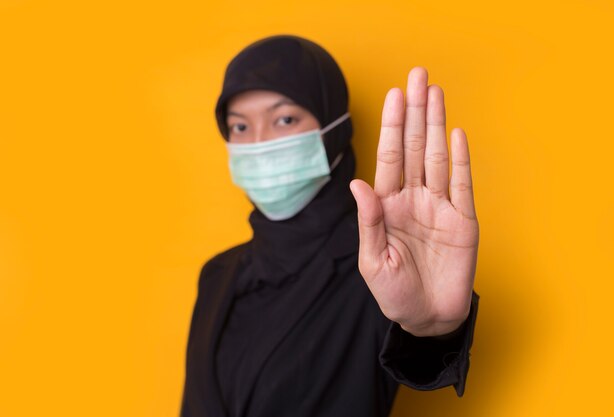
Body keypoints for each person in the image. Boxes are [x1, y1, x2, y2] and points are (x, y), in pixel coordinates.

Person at [180, 34, 480, 417]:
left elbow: (419, 360)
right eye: (239, 127)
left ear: (333, 126)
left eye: (284, 119)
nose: (258, 144)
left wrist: (433, 329)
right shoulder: (217, 274)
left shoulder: (384, 262)